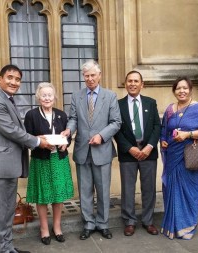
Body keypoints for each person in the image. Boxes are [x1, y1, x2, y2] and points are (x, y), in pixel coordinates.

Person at [0, 64, 53, 253]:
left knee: (7, 211)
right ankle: (1, 250)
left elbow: (16, 131)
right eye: (10, 77)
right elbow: (10, 131)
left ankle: (8, 247)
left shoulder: (9, 100)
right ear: (0, 79)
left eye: (18, 79)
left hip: (9, 165)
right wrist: (37, 141)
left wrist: (40, 138)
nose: (14, 82)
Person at [61, 60, 121, 240]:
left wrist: (101, 136)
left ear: (99, 75)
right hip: (82, 150)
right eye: (86, 76)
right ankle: (88, 223)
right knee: (85, 191)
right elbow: (72, 118)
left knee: (103, 191)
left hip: (102, 150)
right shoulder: (76, 96)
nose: (90, 79)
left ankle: (102, 224)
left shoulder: (110, 96)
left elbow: (116, 122)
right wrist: (69, 130)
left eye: (93, 75)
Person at [160, 76, 198, 240]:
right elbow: (164, 130)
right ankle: (172, 226)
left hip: (190, 157)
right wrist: (163, 141)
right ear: (174, 91)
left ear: (190, 90)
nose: (181, 91)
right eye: (178, 88)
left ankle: (187, 226)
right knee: (171, 189)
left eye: (185, 88)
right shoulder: (169, 109)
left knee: (190, 191)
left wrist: (187, 134)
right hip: (173, 156)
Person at [23, 82, 74, 245]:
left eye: (49, 95)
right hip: (41, 160)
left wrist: (66, 142)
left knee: (58, 195)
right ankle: (44, 228)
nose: (47, 98)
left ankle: (57, 227)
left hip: (58, 159)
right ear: (38, 97)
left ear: (54, 97)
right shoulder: (31, 115)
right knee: (43, 196)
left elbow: (68, 135)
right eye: (43, 95)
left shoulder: (61, 114)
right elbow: (27, 139)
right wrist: (40, 142)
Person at [114, 70, 161, 236]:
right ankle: (129, 221)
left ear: (142, 84)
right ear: (125, 84)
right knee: (128, 189)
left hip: (149, 153)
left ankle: (148, 221)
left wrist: (149, 146)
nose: (132, 84)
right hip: (128, 153)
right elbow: (116, 129)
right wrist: (130, 148)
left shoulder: (150, 103)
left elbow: (157, 126)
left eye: (136, 81)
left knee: (149, 188)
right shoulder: (117, 105)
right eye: (130, 81)